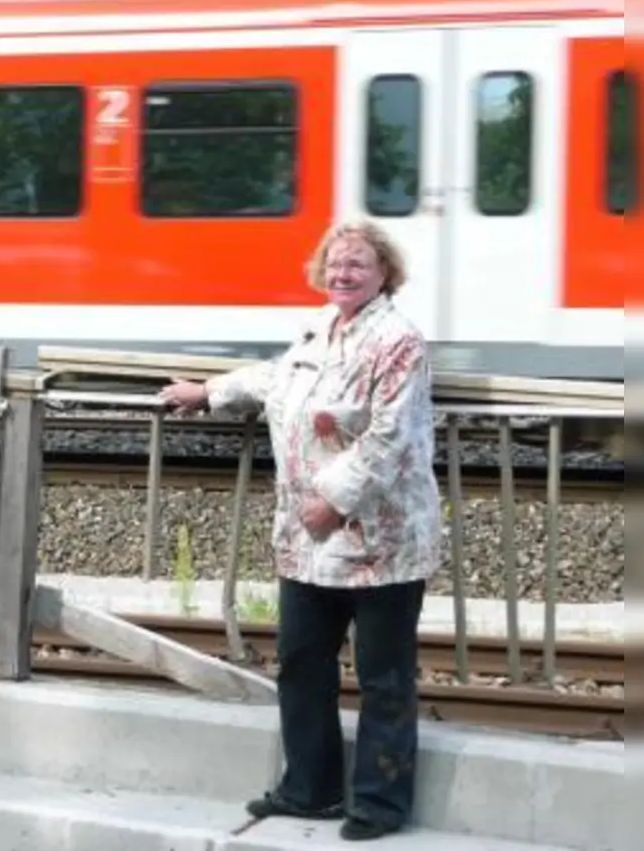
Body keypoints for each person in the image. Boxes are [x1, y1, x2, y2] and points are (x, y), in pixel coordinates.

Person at [159, 218, 441, 842]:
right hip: (310, 544)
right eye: (336, 263)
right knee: (301, 663)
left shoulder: (398, 341)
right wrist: (207, 391)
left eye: (358, 264)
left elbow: (392, 436)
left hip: (379, 542)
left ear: (383, 274)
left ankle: (378, 805)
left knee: (383, 677)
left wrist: (335, 501)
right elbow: (274, 379)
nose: (343, 273)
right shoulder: (319, 327)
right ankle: (308, 789)